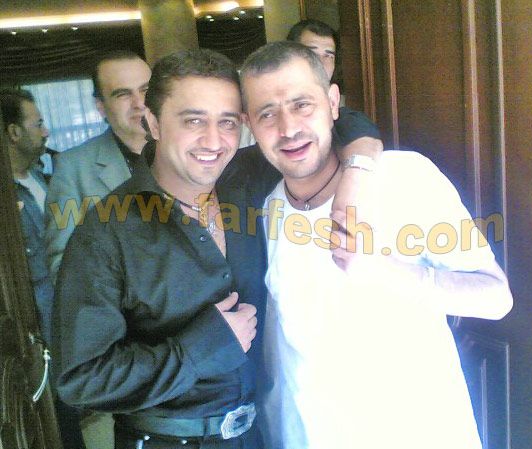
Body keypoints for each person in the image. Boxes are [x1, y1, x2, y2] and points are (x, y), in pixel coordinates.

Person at [52, 48, 382, 448]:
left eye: (227, 122)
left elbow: (337, 119)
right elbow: (82, 379)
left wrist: (357, 172)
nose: (213, 141)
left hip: (262, 434)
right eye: (193, 120)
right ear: (153, 123)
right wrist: (197, 350)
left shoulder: (245, 178)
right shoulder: (106, 232)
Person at [239, 41, 514, 449]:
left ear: (333, 103)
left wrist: (384, 270)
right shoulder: (266, 208)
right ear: (249, 124)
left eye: (302, 104)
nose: (288, 128)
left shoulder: (406, 177)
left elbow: (496, 297)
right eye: (267, 113)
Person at [0, 88, 86, 449]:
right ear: (13, 132)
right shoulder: (6, 196)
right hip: (32, 333)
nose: (46, 131)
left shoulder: (44, 178)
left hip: (64, 320)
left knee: (69, 417)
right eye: (38, 123)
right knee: (49, 424)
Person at [45, 50, 151, 279]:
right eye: (123, 94)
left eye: (146, 90)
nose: (139, 103)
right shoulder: (72, 168)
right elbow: (63, 266)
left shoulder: (190, 152)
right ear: (101, 105)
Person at [287, 18, 380, 138]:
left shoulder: (346, 116)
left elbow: (362, 136)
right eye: (311, 54)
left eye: (328, 55)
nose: (321, 63)